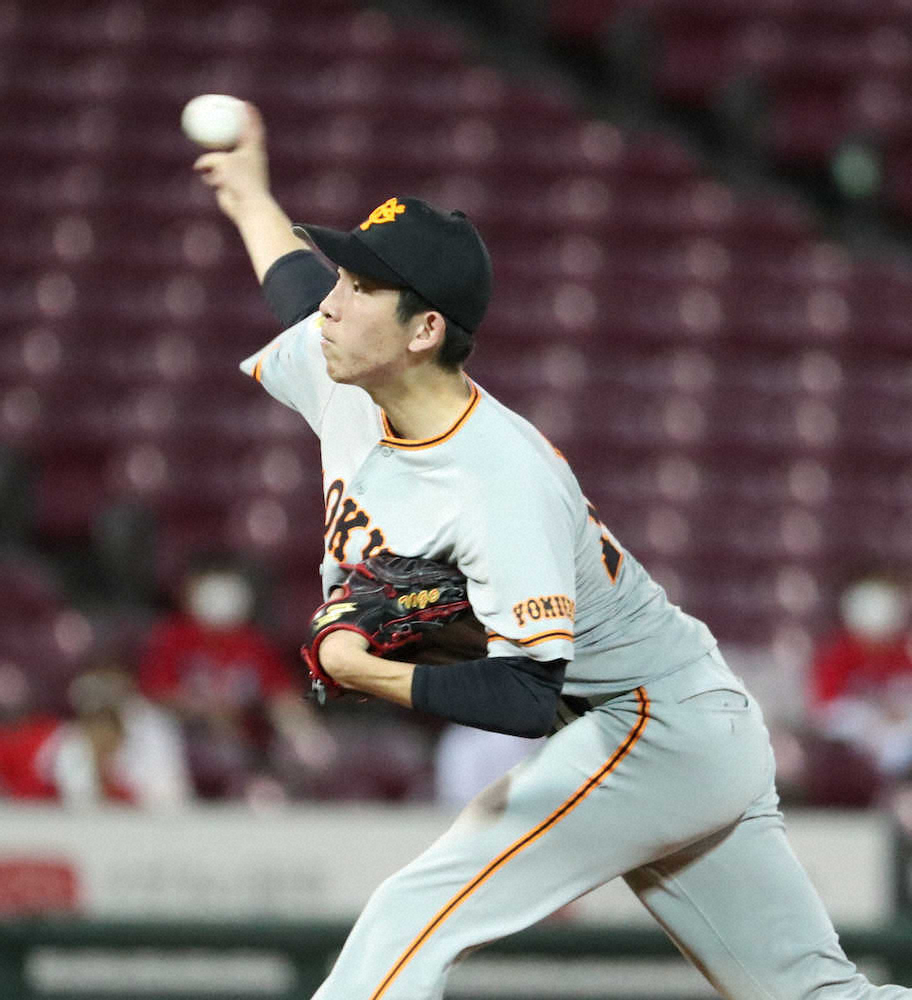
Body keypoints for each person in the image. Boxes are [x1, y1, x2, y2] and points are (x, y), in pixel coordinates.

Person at [193, 103, 911, 999]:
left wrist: (364, 671)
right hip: (687, 721)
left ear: (424, 332)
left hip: (652, 727)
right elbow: (297, 289)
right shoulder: (349, 375)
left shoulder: (500, 479)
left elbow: (528, 697)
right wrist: (252, 200)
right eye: (345, 277)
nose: (334, 305)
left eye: (362, 289)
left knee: (413, 913)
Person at [137, 551, 335, 800]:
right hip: (186, 734)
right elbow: (155, 694)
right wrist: (205, 710)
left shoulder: (253, 641)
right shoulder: (173, 637)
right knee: (151, 726)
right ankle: (167, 801)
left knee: (295, 730)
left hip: (243, 734)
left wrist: (302, 730)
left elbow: (281, 693)